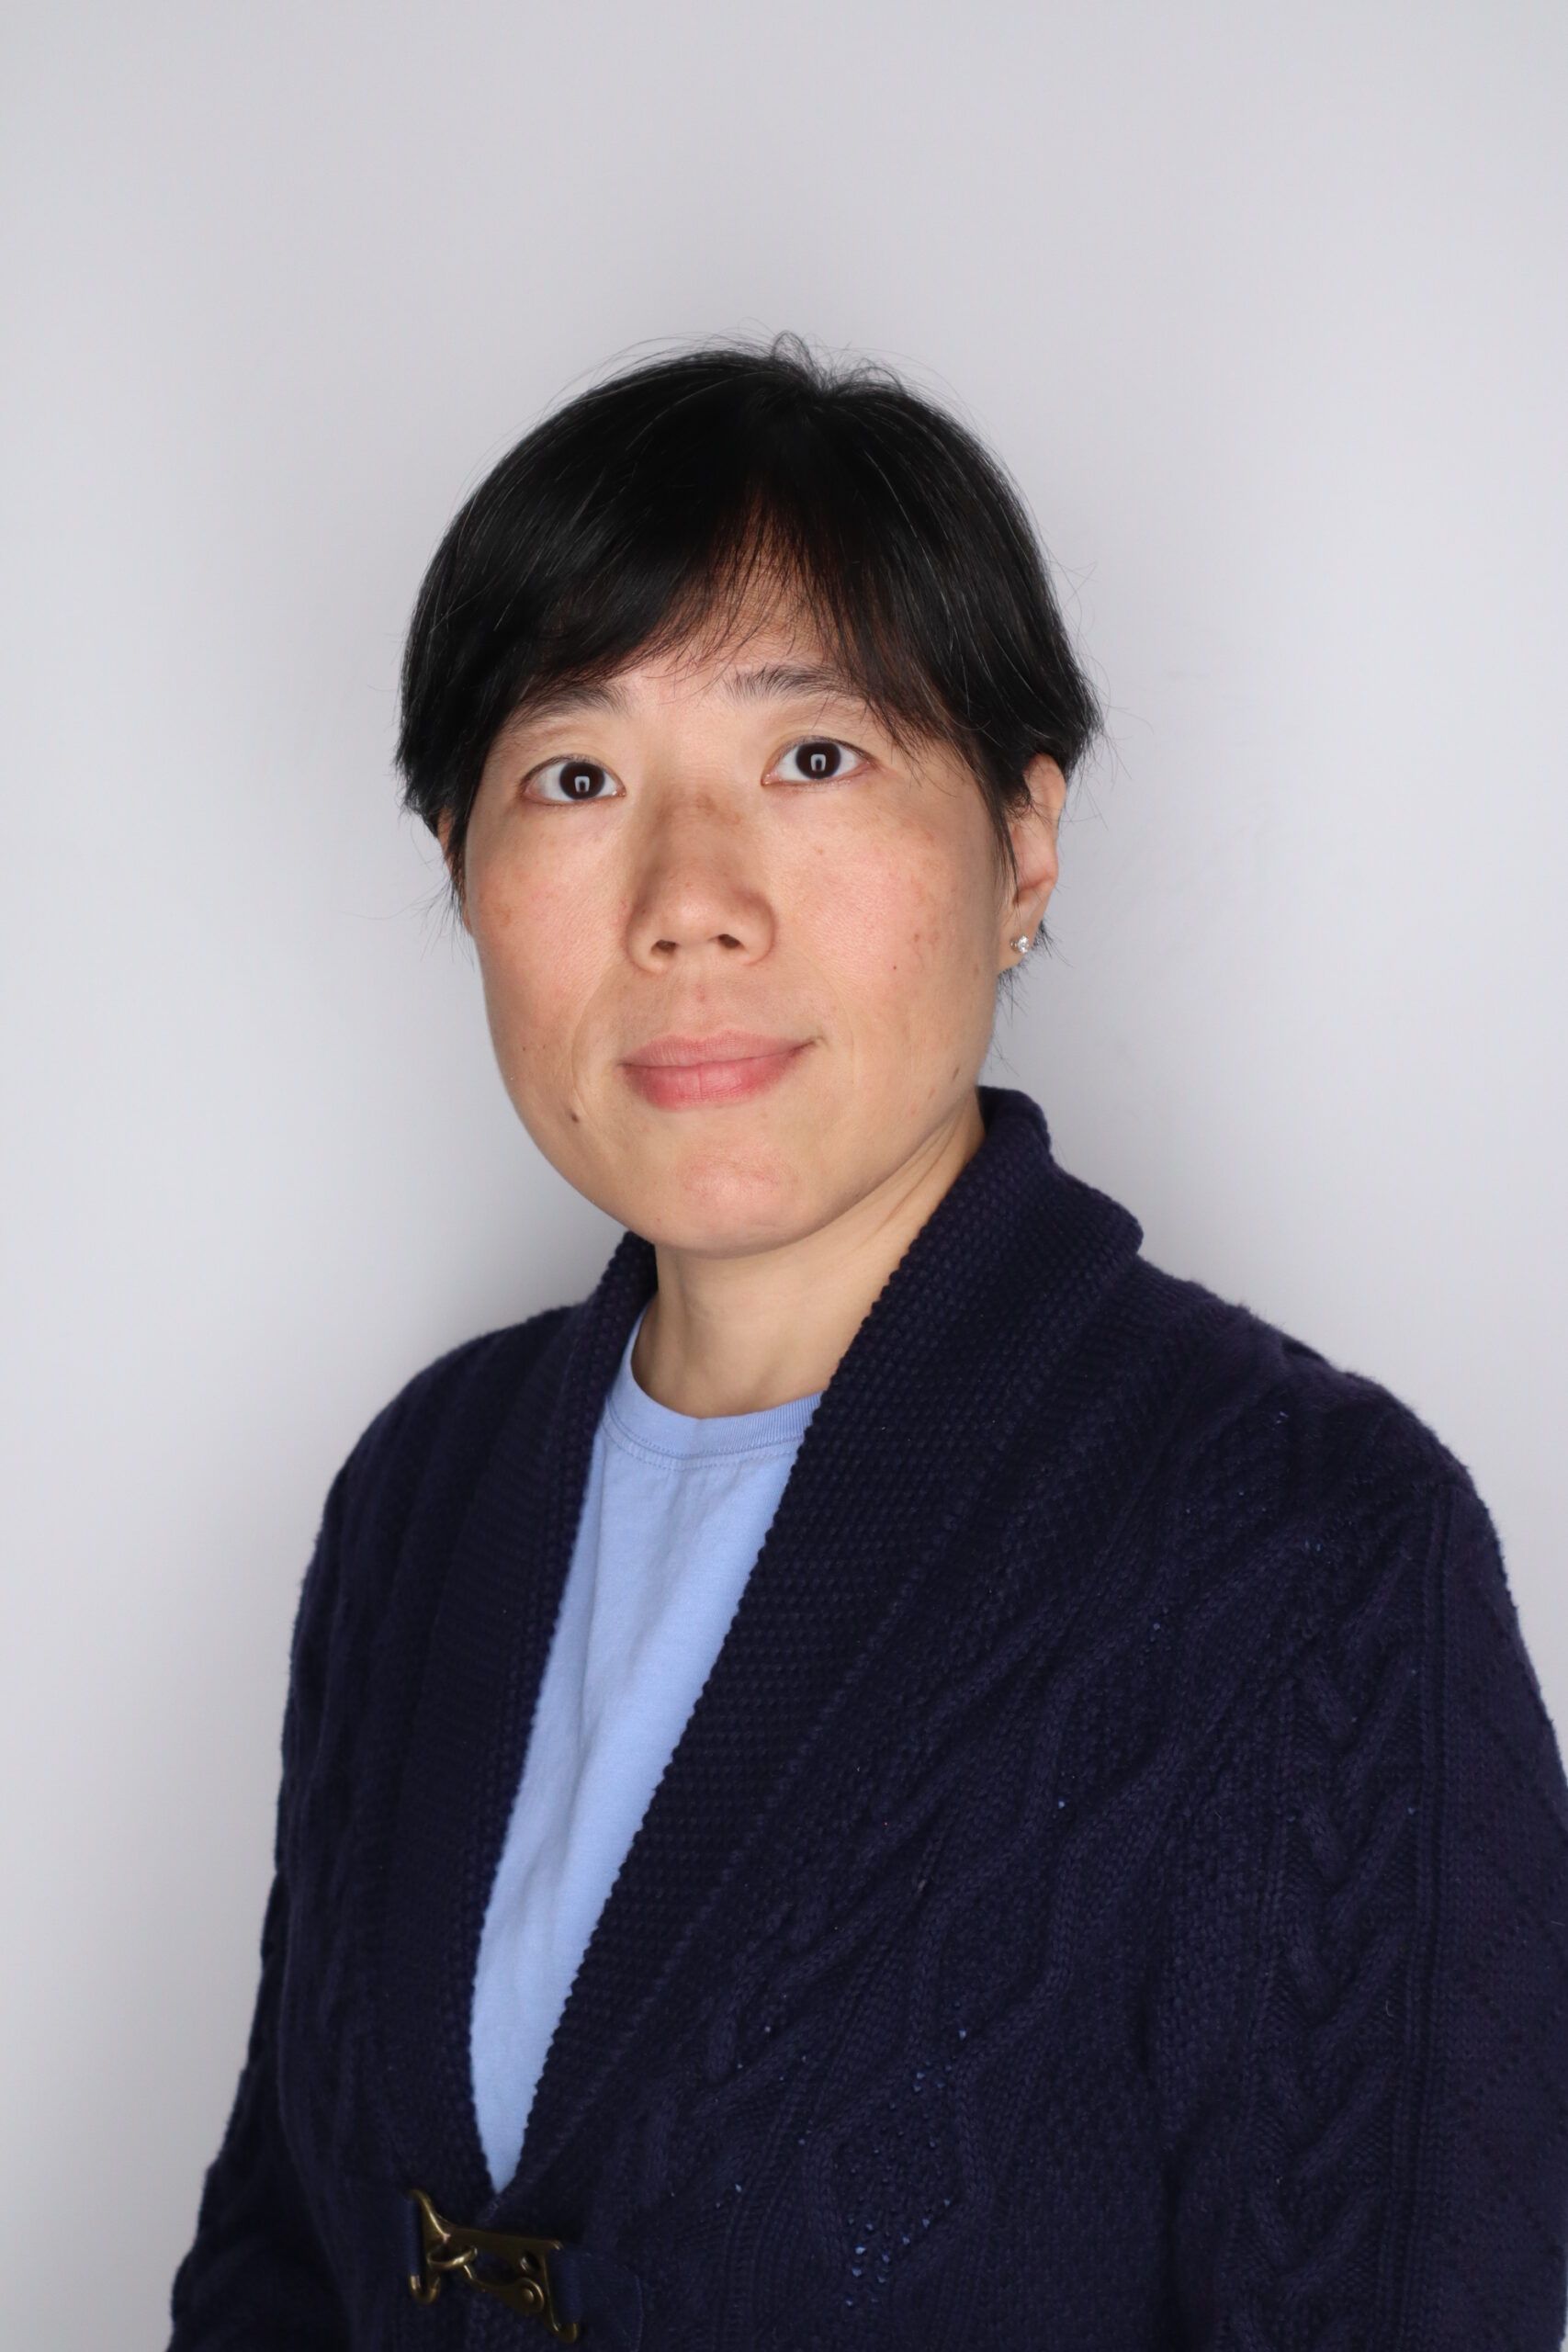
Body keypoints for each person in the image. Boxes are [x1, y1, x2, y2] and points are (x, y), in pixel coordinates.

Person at [166, 334, 1568, 2351]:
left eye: (810, 755)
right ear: (461, 872)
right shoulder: (424, 1485)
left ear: (1022, 845)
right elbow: (283, 2263)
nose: (687, 901)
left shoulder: (1307, 1550)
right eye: (574, 776)